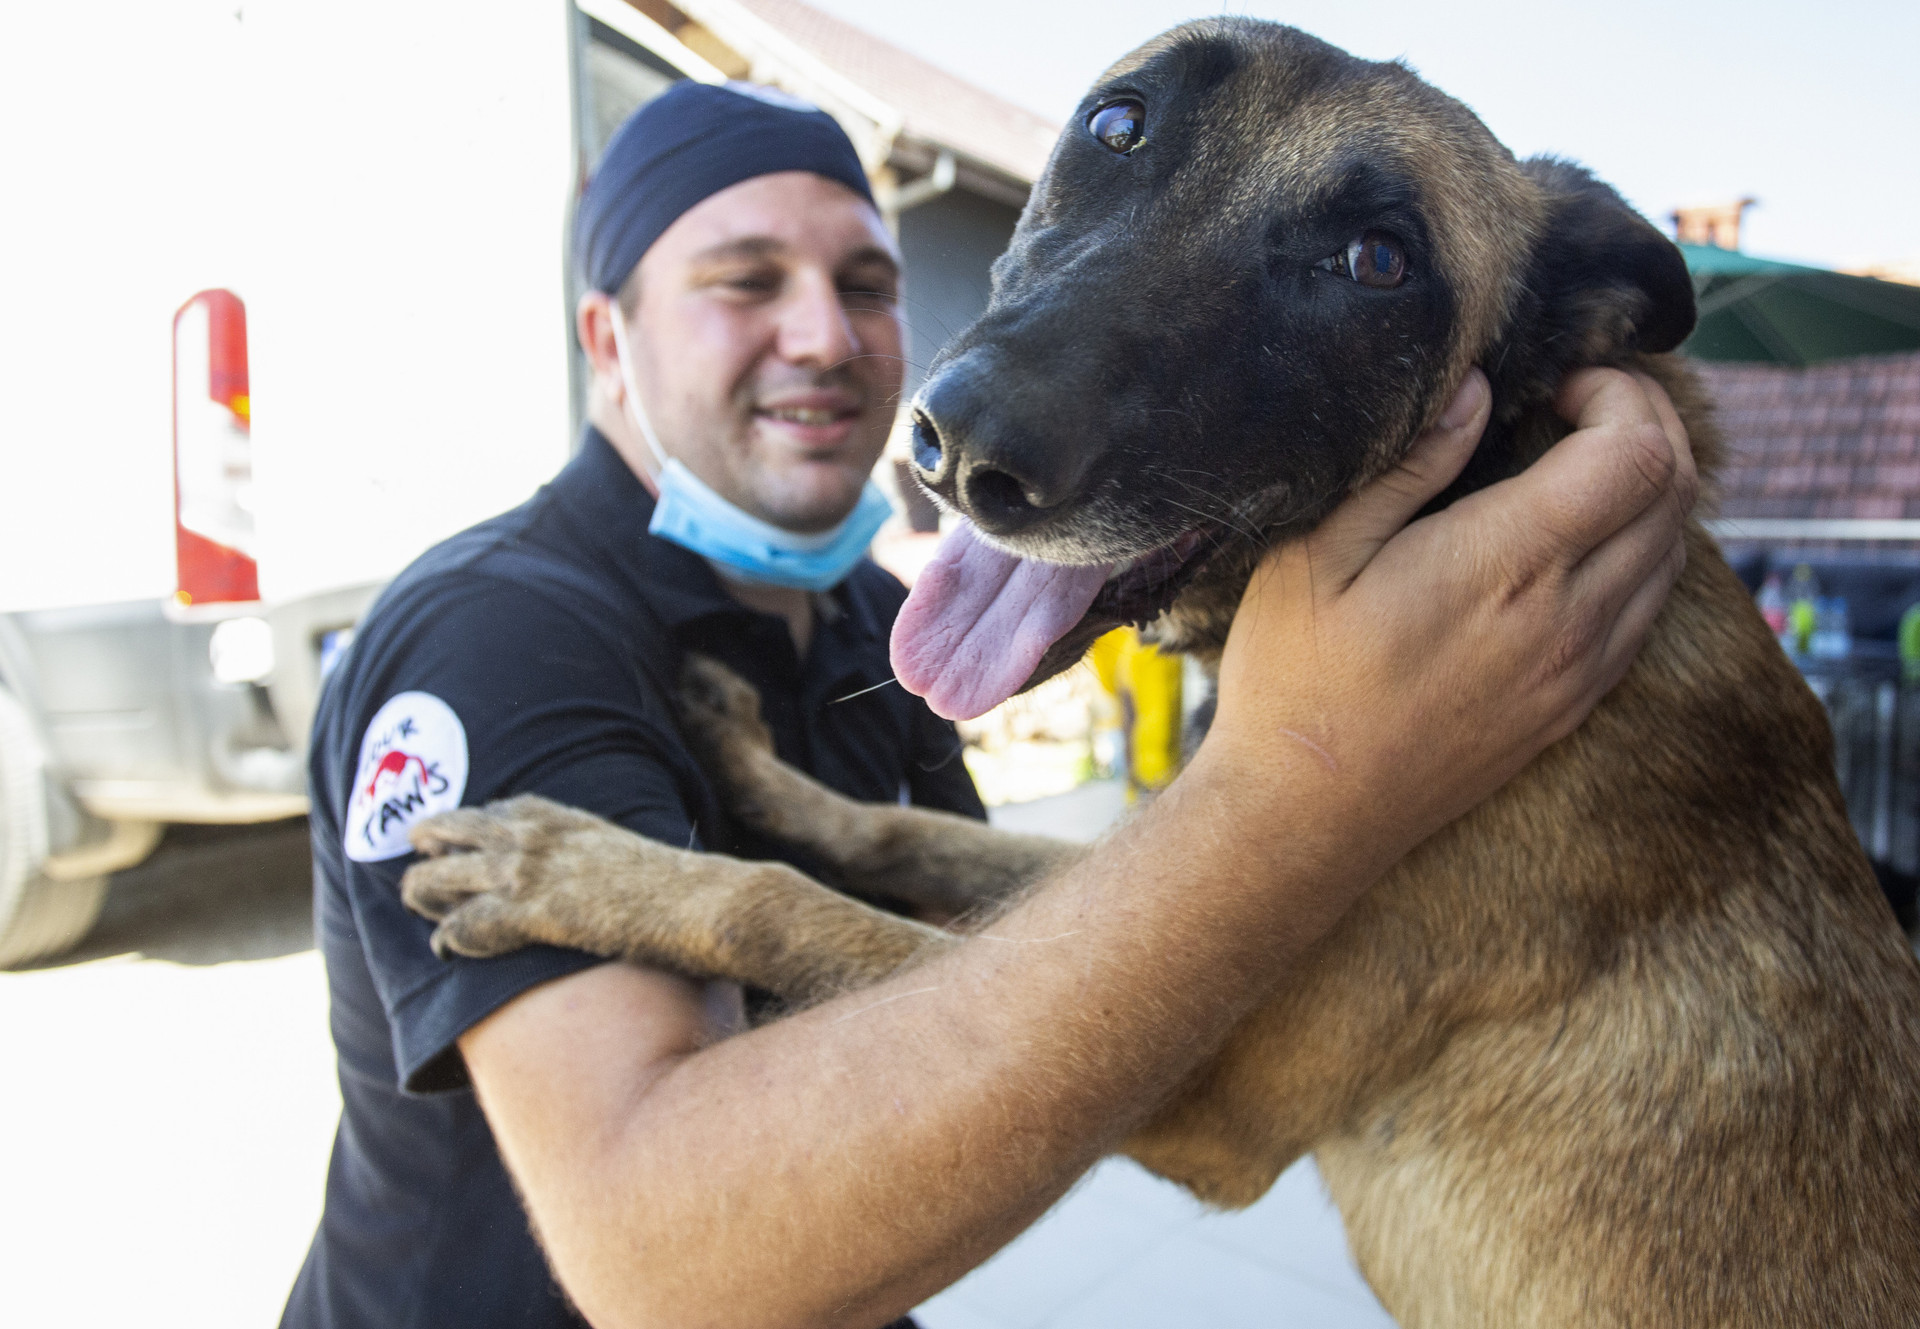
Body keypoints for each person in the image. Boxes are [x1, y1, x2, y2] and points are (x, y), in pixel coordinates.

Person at [281, 82, 1697, 1329]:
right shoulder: (502, 634)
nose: (825, 336)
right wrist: (1307, 782)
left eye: (868, 283)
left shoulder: (879, 620)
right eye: (745, 281)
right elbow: (670, 1270)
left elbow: (1038, 972)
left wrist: (837, 837)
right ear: (607, 336)